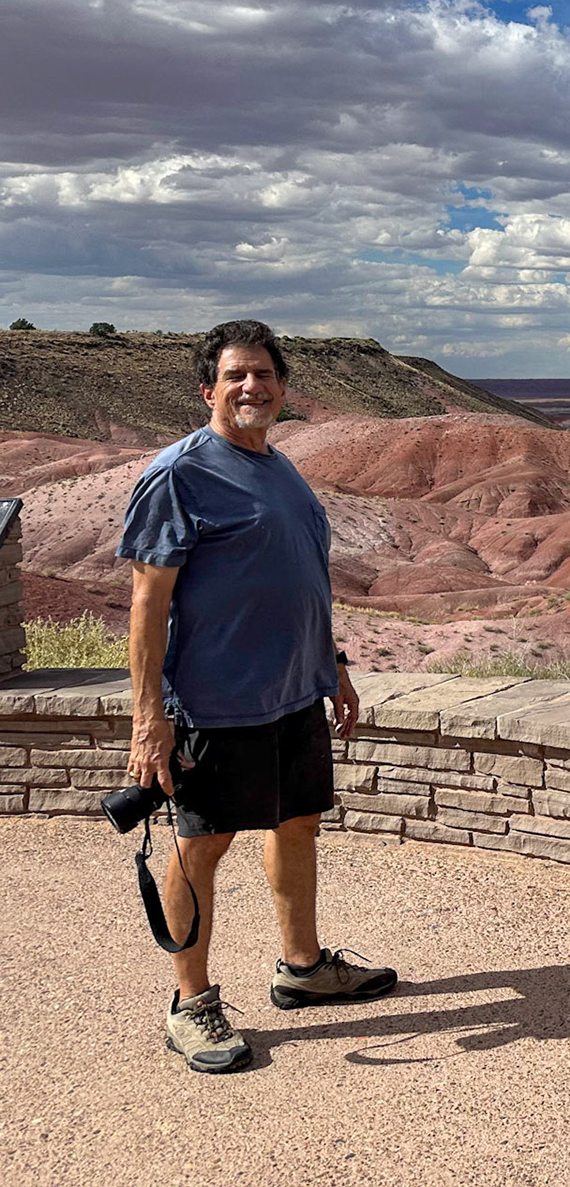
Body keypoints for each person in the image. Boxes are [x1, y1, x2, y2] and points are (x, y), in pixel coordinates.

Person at [120, 319, 397, 1073]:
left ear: (282, 387)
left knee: (299, 824)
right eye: (236, 375)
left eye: (265, 374)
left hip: (294, 694)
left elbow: (301, 579)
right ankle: (191, 1002)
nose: (253, 387)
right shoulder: (180, 472)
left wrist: (332, 664)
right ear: (208, 388)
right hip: (215, 702)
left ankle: (302, 968)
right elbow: (148, 605)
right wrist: (149, 720)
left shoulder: (279, 466)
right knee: (201, 844)